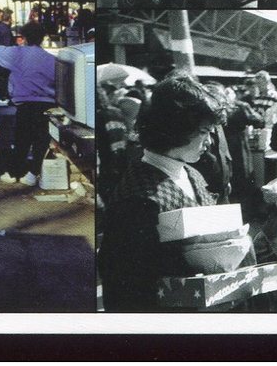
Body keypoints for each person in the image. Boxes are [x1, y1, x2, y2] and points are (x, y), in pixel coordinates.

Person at [97, 71, 226, 311]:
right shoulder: (138, 197)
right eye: (205, 132)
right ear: (178, 128)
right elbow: (123, 286)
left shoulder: (191, 173)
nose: (209, 142)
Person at [0, 20, 56, 187]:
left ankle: (14, 173)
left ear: (24, 37)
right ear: (43, 38)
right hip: (46, 105)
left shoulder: (17, 54)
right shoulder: (51, 60)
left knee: (21, 139)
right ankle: (33, 174)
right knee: (41, 140)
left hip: (24, 104)